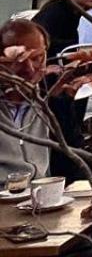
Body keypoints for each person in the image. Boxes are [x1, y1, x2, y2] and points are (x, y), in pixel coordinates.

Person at [0, 19, 52, 180]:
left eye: (37, 58)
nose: (29, 69)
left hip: (38, 190)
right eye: (19, 60)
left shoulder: (42, 100)